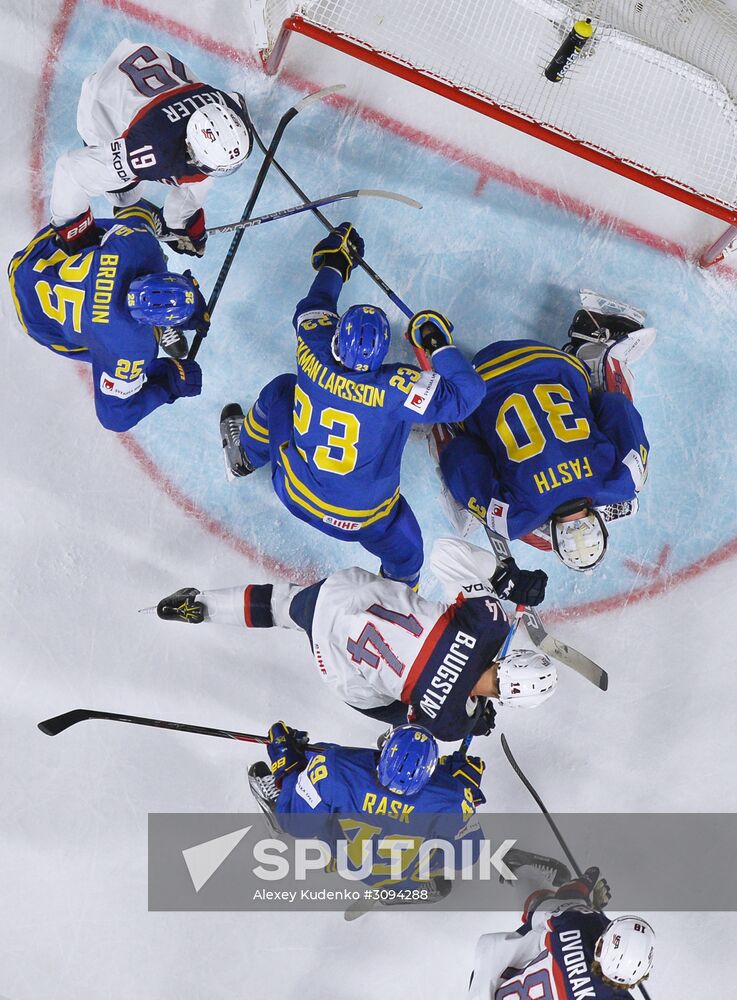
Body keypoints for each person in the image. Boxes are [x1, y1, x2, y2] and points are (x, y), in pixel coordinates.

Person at [218, 222, 485, 589]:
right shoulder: (397, 385)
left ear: (337, 338)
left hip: (294, 492)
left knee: (283, 390)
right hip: (364, 519)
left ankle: (244, 457)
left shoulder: (313, 345)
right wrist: (439, 344)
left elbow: (314, 306)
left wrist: (335, 265)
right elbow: (466, 396)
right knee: (408, 556)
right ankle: (396, 597)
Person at [153, 536, 555, 742]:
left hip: (343, 595)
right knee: (400, 713)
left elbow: (445, 553)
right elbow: (409, 739)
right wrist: (469, 716)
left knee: (283, 603)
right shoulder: (451, 725)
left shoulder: (491, 625)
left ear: (512, 659)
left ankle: (201, 604)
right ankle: (208, 608)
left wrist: (505, 578)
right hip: (337, 663)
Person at [435, 292, 654, 573]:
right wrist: (481, 507)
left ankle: (595, 346)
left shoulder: (624, 482)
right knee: (467, 475)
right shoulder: (514, 520)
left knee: (610, 416)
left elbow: (615, 406)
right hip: (478, 378)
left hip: (554, 363)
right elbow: (460, 456)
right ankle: (435, 388)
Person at [8, 201, 207, 431]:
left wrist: (173, 380)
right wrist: (170, 382)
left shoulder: (139, 246)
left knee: (131, 230)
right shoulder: (132, 347)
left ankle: (157, 333)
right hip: (37, 322)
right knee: (119, 354)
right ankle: (159, 340)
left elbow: (140, 219)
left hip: (31, 262)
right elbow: (115, 418)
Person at [50, 39, 253, 258]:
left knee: (197, 171)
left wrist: (181, 224)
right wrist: (76, 233)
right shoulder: (150, 150)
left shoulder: (230, 111)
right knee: (124, 197)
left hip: (144, 64)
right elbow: (71, 171)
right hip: (103, 100)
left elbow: (203, 170)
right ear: (189, 148)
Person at [248, 722, 486, 906]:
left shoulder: (334, 767)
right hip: (409, 872)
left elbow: (299, 826)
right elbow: (468, 855)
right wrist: (460, 790)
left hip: (354, 863)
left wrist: (289, 766)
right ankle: (404, 885)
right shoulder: (452, 799)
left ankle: (278, 807)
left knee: (312, 787)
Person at [468, 866, 655, 998]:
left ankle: (520, 869)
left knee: (540, 910)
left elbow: (542, 910)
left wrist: (579, 899)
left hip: (490, 982)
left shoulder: (577, 924)